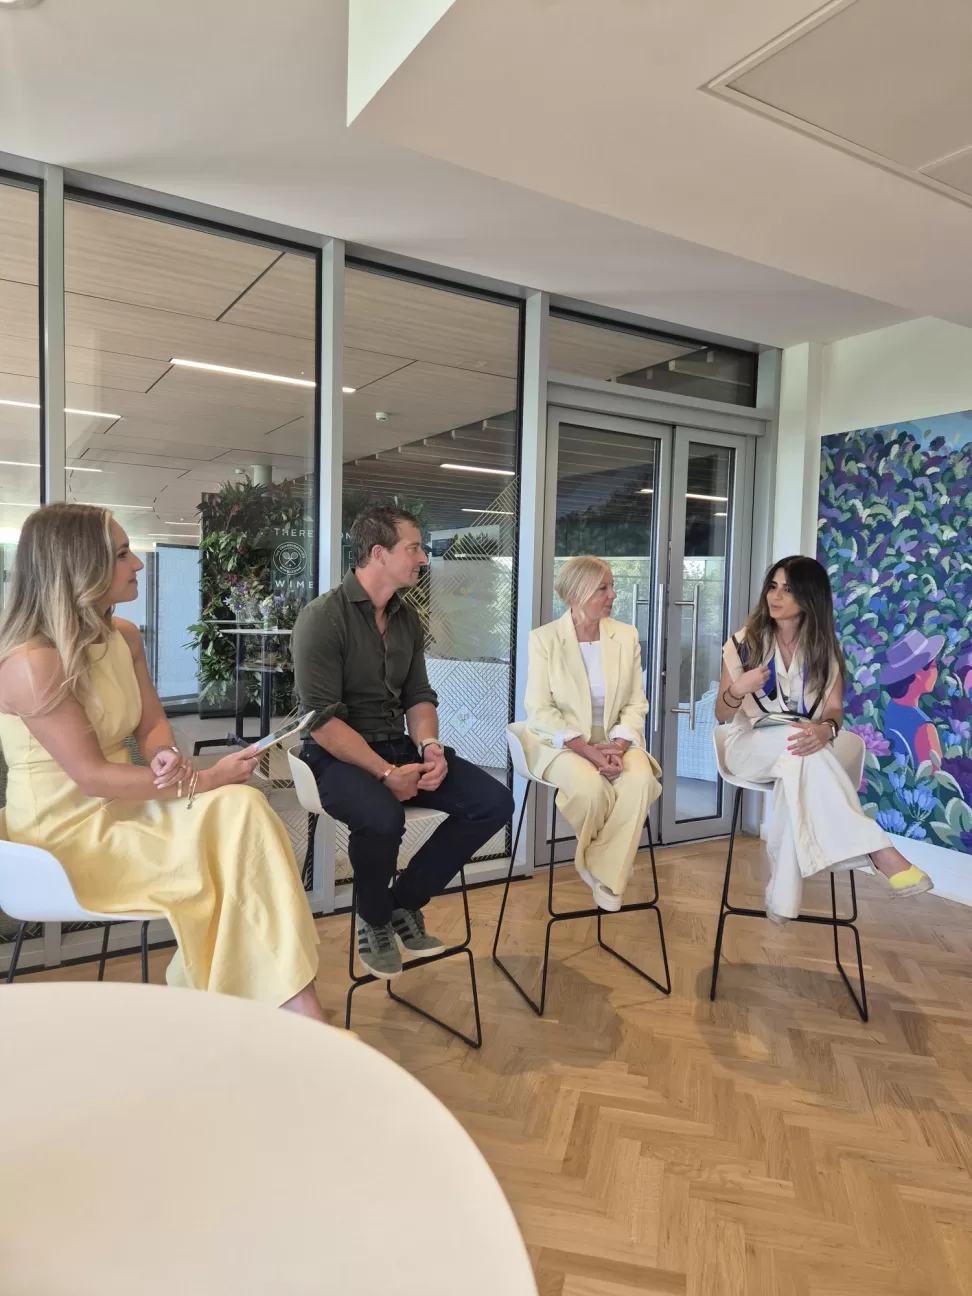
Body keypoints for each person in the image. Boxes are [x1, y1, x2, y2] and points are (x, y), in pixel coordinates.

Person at [0, 504, 326, 1019]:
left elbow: (150, 725)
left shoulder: (123, 635)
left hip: (127, 807)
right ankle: (284, 1008)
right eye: (122, 554)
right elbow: (92, 777)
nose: (139, 565)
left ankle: (283, 1003)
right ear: (79, 567)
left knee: (240, 811)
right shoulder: (29, 664)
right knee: (231, 819)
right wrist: (209, 777)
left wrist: (165, 757)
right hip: (64, 837)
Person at [292, 505, 513, 979]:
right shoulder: (322, 618)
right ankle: (372, 919)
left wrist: (430, 747)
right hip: (334, 756)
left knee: (492, 802)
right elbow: (323, 722)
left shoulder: (405, 618)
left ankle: (403, 902)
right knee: (382, 815)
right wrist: (386, 773)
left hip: (399, 746)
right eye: (413, 548)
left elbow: (418, 695)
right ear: (378, 553)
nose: (423, 559)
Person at [715, 555, 933, 922]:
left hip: (800, 747)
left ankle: (782, 902)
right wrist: (737, 689)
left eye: (788, 589)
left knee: (797, 759)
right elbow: (721, 715)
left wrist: (824, 729)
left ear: (809, 597)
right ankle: (878, 852)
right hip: (747, 744)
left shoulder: (825, 650)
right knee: (798, 747)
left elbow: (833, 711)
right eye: (773, 586)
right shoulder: (743, 644)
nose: (776, 596)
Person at [519, 556, 661, 911]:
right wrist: (589, 751)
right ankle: (613, 866)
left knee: (641, 781)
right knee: (592, 788)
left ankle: (600, 865)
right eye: (603, 588)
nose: (613, 594)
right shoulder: (545, 639)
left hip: (617, 740)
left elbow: (635, 701)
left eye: (611, 586)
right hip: (563, 744)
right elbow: (539, 709)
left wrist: (618, 744)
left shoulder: (625, 636)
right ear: (577, 594)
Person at [879, 630, 945, 767]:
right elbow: (934, 776)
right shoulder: (924, 726)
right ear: (918, 674)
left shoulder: (891, 707)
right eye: (934, 666)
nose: (937, 671)